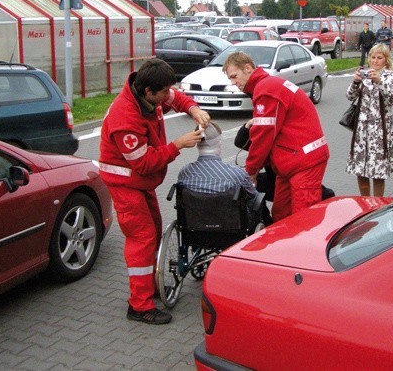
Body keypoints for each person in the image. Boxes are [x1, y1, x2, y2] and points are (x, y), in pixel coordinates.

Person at [99, 58, 210, 325]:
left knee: (154, 228)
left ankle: (148, 287)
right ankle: (139, 305)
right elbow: (143, 163)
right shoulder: (125, 118)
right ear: (149, 92)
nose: (166, 97)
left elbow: (176, 98)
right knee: (142, 237)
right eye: (162, 93)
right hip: (126, 183)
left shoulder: (150, 92)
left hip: (141, 182)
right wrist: (177, 145)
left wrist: (193, 109)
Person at [222, 51, 329, 223]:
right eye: (230, 79)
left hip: (303, 162)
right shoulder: (267, 85)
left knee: (304, 219)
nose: (233, 83)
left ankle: (303, 249)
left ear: (248, 68)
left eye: (234, 76)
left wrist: (251, 171)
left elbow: (263, 135)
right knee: (281, 215)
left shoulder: (266, 90)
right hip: (291, 161)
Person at [346, 44, 393, 197]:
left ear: (386, 60)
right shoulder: (364, 76)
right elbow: (350, 96)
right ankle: (364, 201)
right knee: (360, 169)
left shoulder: (391, 77)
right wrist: (356, 82)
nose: (375, 61)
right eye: (373, 57)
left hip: (380, 130)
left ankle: (377, 204)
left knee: (378, 171)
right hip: (362, 130)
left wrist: (379, 82)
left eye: (379, 58)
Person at [177, 121, 258, 209]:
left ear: (197, 145)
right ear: (219, 142)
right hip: (230, 221)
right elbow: (253, 196)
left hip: (195, 221)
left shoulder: (184, 173)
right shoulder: (237, 174)